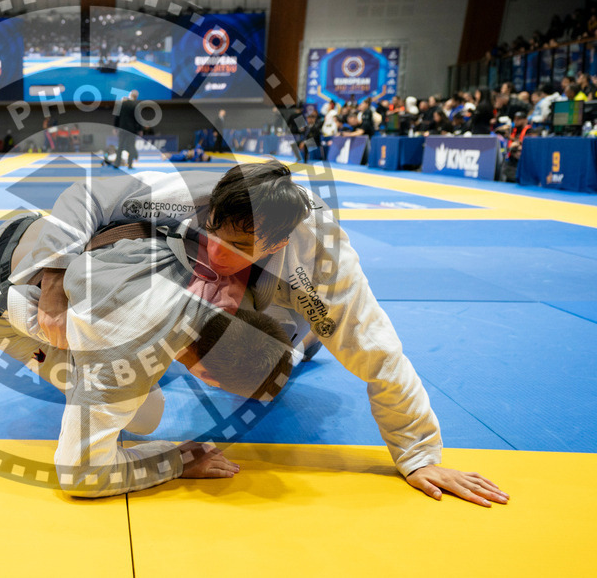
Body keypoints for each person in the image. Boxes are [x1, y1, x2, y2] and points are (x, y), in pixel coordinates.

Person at [26, 160, 509, 507]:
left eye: (235, 245)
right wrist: (52, 277)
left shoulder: (321, 258)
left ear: (275, 241)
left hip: (287, 293)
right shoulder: (187, 194)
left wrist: (419, 454)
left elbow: (379, 353)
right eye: (214, 230)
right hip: (197, 262)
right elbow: (82, 196)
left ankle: (304, 338)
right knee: (174, 295)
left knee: (294, 339)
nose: (216, 249)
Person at [0, 211, 298, 496]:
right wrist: (175, 461)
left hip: (40, 226)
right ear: (210, 381)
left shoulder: (213, 271)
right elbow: (80, 476)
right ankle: (75, 358)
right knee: (145, 415)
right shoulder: (123, 363)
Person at [114, 90, 140, 169]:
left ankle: (117, 163)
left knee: (120, 146)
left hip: (122, 128)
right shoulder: (135, 105)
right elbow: (138, 119)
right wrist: (140, 129)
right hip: (132, 129)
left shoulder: (122, 104)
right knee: (131, 146)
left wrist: (115, 127)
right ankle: (130, 164)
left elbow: (117, 116)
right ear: (136, 97)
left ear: (130, 95)